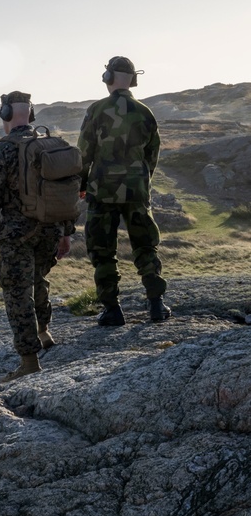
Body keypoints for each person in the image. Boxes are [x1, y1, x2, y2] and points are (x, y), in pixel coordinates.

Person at [0, 91, 74, 382]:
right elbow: (68, 192)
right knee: (39, 279)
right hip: (52, 228)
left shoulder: (0, 150)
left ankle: (29, 361)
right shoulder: (51, 146)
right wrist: (67, 232)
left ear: (6, 114)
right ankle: (44, 332)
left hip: (17, 233)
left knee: (17, 292)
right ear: (31, 114)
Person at [78, 56, 170, 326]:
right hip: (136, 190)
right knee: (145, 245)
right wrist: (142, 181)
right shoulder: (145, 112)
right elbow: (152, 154)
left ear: (108, 77)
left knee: (103, 249)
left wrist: (83, 184)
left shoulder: (96, 110)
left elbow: (84, 153)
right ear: (133, 80)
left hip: (103, 190)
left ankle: (112, 309)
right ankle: (156, 303)